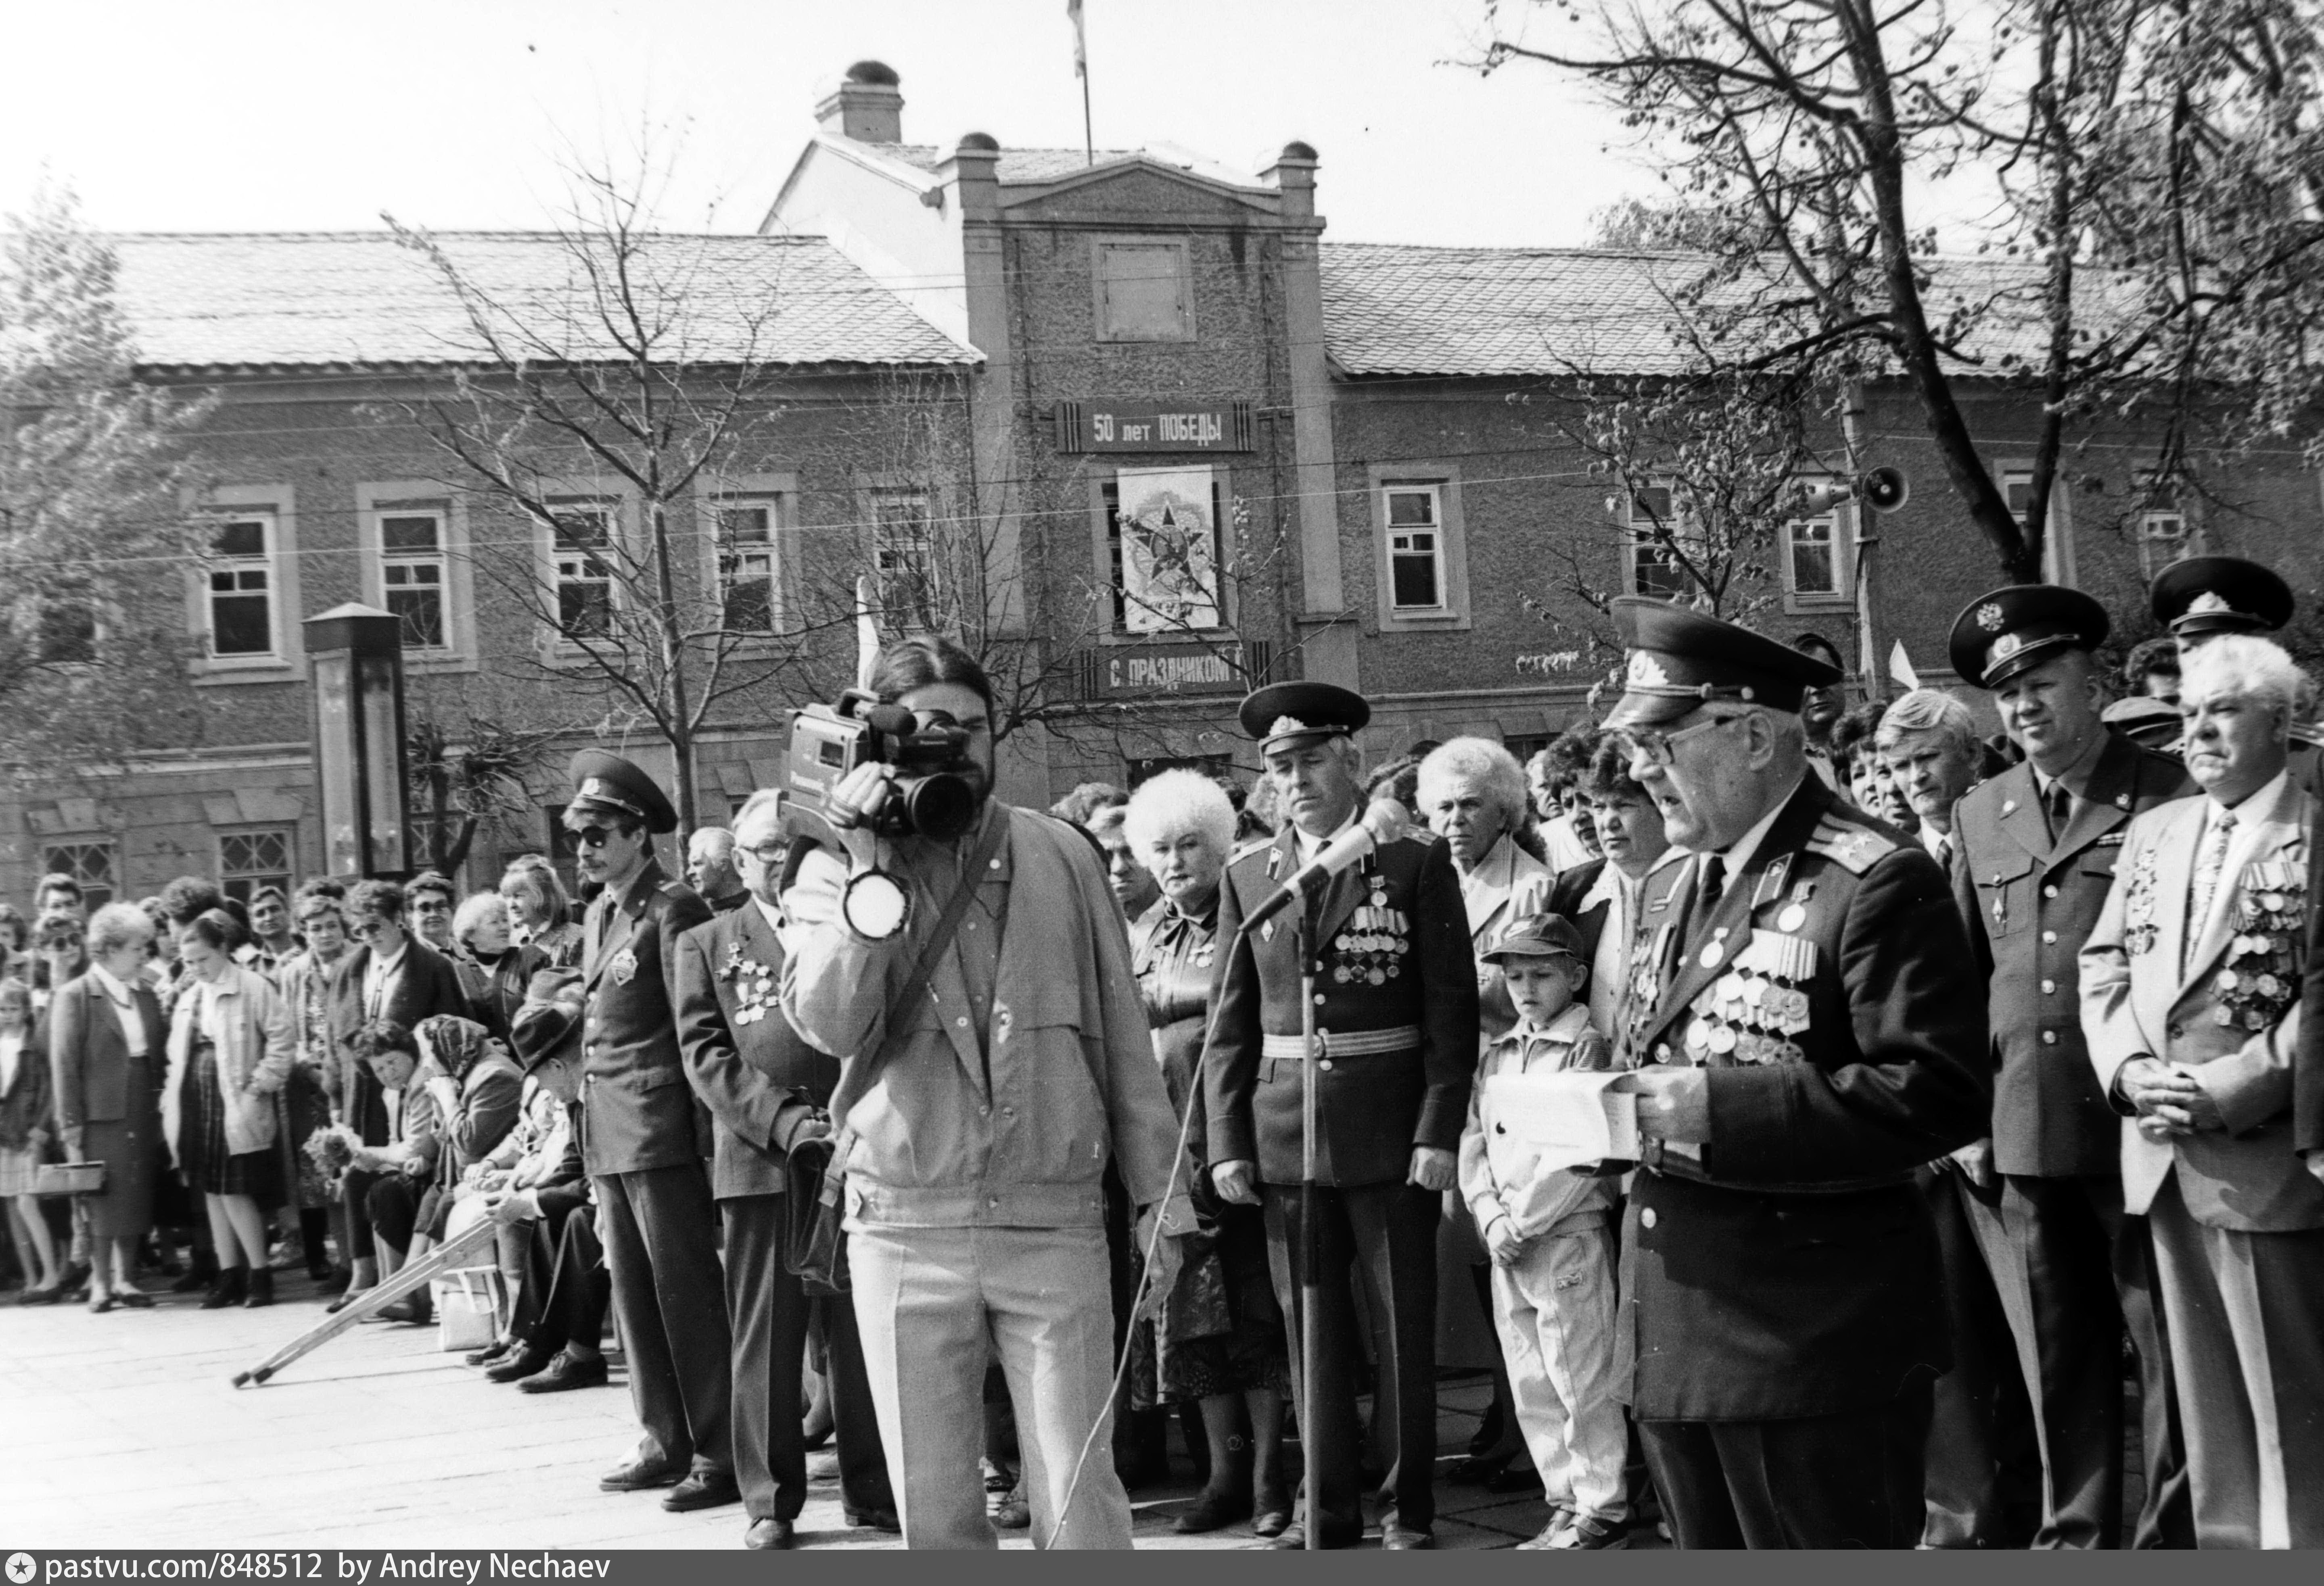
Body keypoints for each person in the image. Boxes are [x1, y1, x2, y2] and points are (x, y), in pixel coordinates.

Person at [780, 636, 1187, 1551]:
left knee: (1081, 1501)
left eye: (971, 728)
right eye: (929, 729)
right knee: (937, 1515)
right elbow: (831, 1025)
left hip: (1052, 1217)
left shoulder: (1061, 853)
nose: (954, 747)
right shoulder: (832, 865)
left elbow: (1123, 1039)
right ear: (883, 737)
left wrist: (1161, 1199)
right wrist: (869, 864)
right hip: (903, 1223)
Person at [1602, 595, 1990, 1548]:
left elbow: (1935, 1092)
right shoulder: (1681, 878)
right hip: (1678, 1334)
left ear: (1753, 737)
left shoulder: (1872, 876)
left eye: (1662, 743)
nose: (1641, 769)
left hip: (1806, 1347)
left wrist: (1717, 1109)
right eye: (1639, 747)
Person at [1202, 680, 1479, 1550]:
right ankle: (1325, 1509)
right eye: (1281, 767)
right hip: (1288, 1136)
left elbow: (1451, 1014)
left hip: (1391, 1133)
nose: (1296, 781)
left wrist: (1438, 1130)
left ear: (1351, 760)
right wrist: (1226, 1142)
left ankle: (1407, 1506)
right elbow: (1229, 1026)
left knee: (1402, 1329)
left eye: (1313, 761)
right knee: (1309, 1334)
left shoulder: (1413, 864)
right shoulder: (1250, 876)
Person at [1946, 584, 2194, 1549]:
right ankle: (2076, 1541)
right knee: (2057, 1354)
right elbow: (1966, 977)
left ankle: (2167, 1544)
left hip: (2141, 1125)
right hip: (2023, 1124)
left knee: (2165, 1350)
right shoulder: (1983, 811)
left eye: (2042, 684)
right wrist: (1969, 1119)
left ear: (2093, 684)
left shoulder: (2169, 791)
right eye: (2007, 694)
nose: (2024, 707)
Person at [2082, 634, 2324, 1548]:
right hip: (2157, 1152)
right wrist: (2124, 1068)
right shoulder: (2158, 829)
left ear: (2279, 720)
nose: (2198, 734)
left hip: (2263, 1158)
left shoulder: (2314, 829)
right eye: (2187, 715)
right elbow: (2103, 960)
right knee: (2207, 1412)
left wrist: (2230, 1088)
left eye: (2221, 711)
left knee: (2288, 1410)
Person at [675, 789, 897, 1549]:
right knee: (768, 1336)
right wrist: (783, 1122)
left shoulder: (846, 920)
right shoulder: (708, 942)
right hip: (764, 1164)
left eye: (793, 845)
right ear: (738, 861)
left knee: (861, 1327)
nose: (780, 860)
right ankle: (771, 1500)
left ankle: (875, 1487)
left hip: (857, 1149)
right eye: (765, 848)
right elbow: (706, 1054)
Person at [1875, 687, 2041, 1547]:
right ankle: (1961, 1522)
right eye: (1899, 766)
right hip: (1928, 1142)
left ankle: (2039, 1511)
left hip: (2009, 1129)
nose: (1913, 779)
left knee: (2033, 1338)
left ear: (1973, 755)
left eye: (1928, 760)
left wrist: (1980, 1121)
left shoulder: (2013, 837)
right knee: (1948, 1342)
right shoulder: (1895, 858)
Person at [1121, 769, 1292, 1538]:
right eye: (1160, 848)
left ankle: (1269, 1476)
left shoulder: (1247, 912)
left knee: (1255, 1318)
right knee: (1195, 1324)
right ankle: (1224, 1474)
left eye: (1189, 844)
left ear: (1220, 843)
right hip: (1169, 1153)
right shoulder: (1146, 931)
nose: (1174, 861)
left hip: (1237, 1141)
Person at [564, 749, 735, 1515]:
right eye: (579, 835)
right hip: (611, 1130)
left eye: (599, 835)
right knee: (635, 1297)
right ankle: (663, 1437)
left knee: (685, 1294)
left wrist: (704, 1142)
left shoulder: (673, 909)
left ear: (639, 835)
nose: (585, 849)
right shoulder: (602, 911)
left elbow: (695, 1028)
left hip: (662, 1131)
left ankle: (719, 1450)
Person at [1459, 912, 1628, 1549]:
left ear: (1576, 977)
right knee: (1531, 1379)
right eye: (1514, 977)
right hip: (1509, 1236)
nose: (1526, 988)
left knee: (1579, 1375)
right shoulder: (1501, 1051)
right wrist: (1489, 1214)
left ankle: (1603, 1505)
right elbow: (1473, 1137)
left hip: (1562, 1232)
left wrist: (1523, 1221)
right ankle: (1564, 1498)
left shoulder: (1586, 1047)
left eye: (1541, 974)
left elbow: (1582, 1150)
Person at [1416, 735, 1552, 1490]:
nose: (1455, 821)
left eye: (1471, 806)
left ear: (1505, 811)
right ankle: (1506, 1412)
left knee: (1515, 1261)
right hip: (1455, 1096)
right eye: (1442, 807)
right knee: (1477, 1265)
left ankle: (1529, 1430)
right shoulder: (1435, 879)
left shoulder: (1531, 887)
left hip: (1507, 1096)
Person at [163, 909, 293, 1310]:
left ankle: (259, 1274)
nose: (196, 969)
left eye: (203, 959)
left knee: (235, 1191)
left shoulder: (253, 987)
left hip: (237, 1098)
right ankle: (229, 1273)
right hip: (198, 1099)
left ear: (223, 949)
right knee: (211, 1191)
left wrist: (259, 1086)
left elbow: (282, 1040)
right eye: (189, 962)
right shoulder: (190, 997)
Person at [46, 904, 167, 1311]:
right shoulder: (76, 995)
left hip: (141, 1105)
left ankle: (126, 1279)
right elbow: (64, 1065)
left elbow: (158, 1054)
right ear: (110, 949)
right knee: (101, 1196)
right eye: (136, 948)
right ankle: (100, 1283)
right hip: (99, 1113)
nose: (144, 955)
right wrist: (70, 1124)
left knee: (136, 1191)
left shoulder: (145, 992)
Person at [2151, 555, 2324, 791]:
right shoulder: (2162, 773)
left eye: (2225, 647)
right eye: (2191, 649)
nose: (2206, 662)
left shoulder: (2315, 766)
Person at [1551, 732, 1680, 1043]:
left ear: (1660, 806)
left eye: (1622, 805)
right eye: (1599, 807)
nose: (1607, 822)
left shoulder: (1695, 884)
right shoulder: (1575, 888)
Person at [335, 1019, 443, 1317]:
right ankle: (386, 1283)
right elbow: (400, 1145)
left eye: (392, 1062)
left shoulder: (422, 1083)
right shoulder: (393, 1093)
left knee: (387, 1190)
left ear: (409, 1052)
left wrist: (375, 1155)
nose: (388, 1073)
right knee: (362, 1182)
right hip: (420, 1166)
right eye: (380, 1069)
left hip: (437, 1170)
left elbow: (416, 1147)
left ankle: (403, 1293)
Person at [276, 880, 350, 1283]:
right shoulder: (293, 973)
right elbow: (287, 1030)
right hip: (309, 1086)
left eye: (331, 926)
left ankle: (356, 1257)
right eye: (315, 928)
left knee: (350, 1165)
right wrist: (310, 1068)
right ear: (303, 932)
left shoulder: (357, 962)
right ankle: (321, 1254)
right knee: (315, 1169)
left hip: (350, 1080)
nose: (324, 935)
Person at [0, 978, 64, 1303]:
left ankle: (51, 1276)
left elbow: (49, 1091)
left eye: (13, 1008)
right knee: (12, 1205)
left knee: (28, 1202)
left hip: (27, 1131)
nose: (7, 1015)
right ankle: (31, 1279)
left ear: (26, 1010)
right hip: (3, 1131)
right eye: (2, 1009)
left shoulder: (35, 1045)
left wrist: (40, 1131)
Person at [452, 891, 550, 1045]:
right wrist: (483, 1048)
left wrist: (507, 1046)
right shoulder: (457, 974)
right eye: (494, 922)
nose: (504, 927)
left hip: (528, 1054)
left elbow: (544, 1012)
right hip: (479, 1057)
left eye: (505, 920)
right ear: (471, 935)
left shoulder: (529, 958)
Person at [1087, 803, 1162, 926]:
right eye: (1106, 856)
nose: (1119, 868)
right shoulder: (1091, 929)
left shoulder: (1185, 924)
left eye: (1131, 853)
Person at [502, 856, 584, 969]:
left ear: (543, 896)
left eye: (518, 896)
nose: (511, 905)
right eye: (507, 897)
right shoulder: (511, 940)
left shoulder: (576, 939)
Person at [686, 827, 750, 915]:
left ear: (724, 865)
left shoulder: (757, 909)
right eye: (690, 865)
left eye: (697, 864)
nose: (689, 872)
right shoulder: (694, 913)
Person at [243, 885, 300, 979]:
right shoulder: (252, 969)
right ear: (253, 925)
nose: (269, 918)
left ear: (289, 914)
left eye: (274, 910)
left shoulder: (309, 954)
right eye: (260, 914)